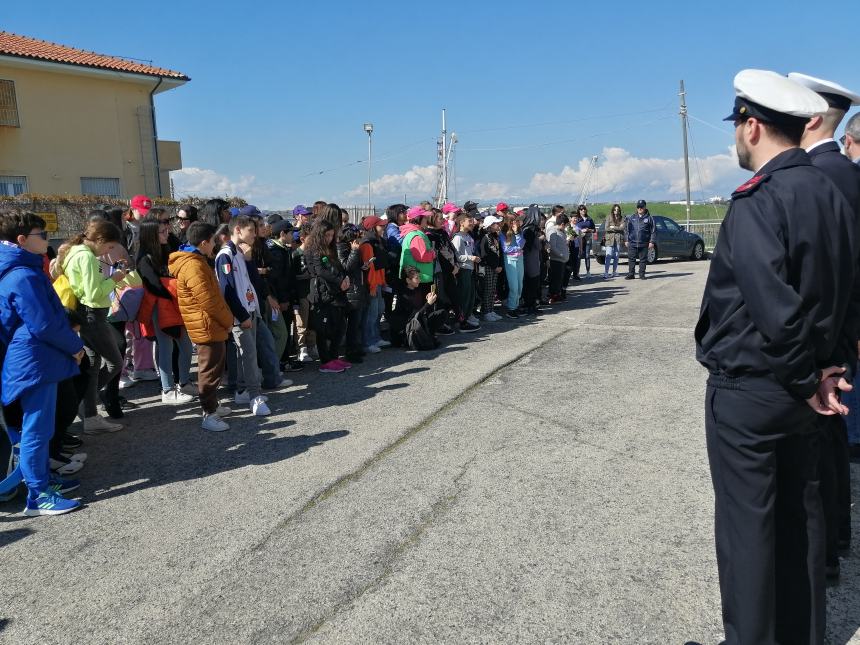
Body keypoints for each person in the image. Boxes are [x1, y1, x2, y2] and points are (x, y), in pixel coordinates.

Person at [695, 69, 857, 645]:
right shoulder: (830, 192)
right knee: (801, 524)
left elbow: (774, 307)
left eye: (738, 126)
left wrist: (805, 376)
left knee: (750, 536)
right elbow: (846, 291)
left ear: (754, 125)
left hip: (757, 390)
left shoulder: (758, 199)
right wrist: (830, 370)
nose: (737, 138)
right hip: (807, 390)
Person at [790, 72, 860, 582]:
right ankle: (838, 537)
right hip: (845, 329)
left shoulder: (816, 175)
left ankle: (826, 554)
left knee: (815, 448)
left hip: (823, 335)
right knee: (834, 439)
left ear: (811, 115)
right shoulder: (848, 171)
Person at [0, 212, 86, 515]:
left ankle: (44, 482)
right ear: (22, 240)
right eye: (43, 234)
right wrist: (76, 346)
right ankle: (38, 495)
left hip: (37, 358)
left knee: (40, 427)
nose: (48, 240)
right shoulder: (22, 275)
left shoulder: (23, 269)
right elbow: (43, 323)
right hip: (34, 361)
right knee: (36, 429)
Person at [58, 219, 136, 433]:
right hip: (93, 315)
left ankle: (89, 414)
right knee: (115, 363)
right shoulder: (87, 257)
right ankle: (84, 402)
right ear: (100, 240)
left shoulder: (75, 251)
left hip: (84, 314)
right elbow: (94, 294)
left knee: (92, 366)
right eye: (109, 247)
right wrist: (116, 278)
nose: (108, 252)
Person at [169, 222, 235, 432]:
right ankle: (209, 414)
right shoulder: (193, 265)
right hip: (207, 325)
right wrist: (228, 320)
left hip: (209, 324)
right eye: (213, 241)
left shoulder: (196, 261)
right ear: (204, 242)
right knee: (209, 371)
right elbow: (209, 300)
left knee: (213, 369)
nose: (215, 244)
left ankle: (213, 405)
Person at [135, 217, 194, 405]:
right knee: (166, 348)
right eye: (162, 231)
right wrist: (175, 288)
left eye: (167, 230)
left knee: (185, 346)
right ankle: (167, 390)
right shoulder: (144, 258)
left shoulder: (168, 248)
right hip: (159, 307)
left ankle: (184, 383)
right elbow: (153, 285)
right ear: (151, 235)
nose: (167, 234)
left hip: (173, 305)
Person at [215, 215, 270, 416]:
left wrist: (248, 260)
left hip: (250, 309)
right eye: (251, 231)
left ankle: (243, 390)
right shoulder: (225, 255)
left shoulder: (240, 252)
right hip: (240, 315)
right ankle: (254, 397)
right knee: (249, 354)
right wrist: (240, 315)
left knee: (245, 353)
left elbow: (250, 281)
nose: (255, 235)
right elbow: (226, 289)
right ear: (238, 230)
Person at [305, 220, 350, 374]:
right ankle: (326, 361)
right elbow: (320, 271)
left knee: (340, 325)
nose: (330, 238)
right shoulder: (314, 249)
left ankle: (334, 356)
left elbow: (338, 266)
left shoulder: (330, 249)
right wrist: (340, 281)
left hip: (335, 291)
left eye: (332, 235)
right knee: (323, 329)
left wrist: (344, 279)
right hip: (322, 292)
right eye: (327, 235)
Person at [389, 265, 446, 350]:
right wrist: (428, 304)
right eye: (417, 278)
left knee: (442, 313)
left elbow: (423, 311)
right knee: (419, 320)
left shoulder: (418, 288)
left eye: (419, 277)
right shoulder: (403, 295)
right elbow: (415, 316)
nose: (419, 280)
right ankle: (420, 338)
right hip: (407, 327)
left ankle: (428, 334)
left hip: (419, 321)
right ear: (408, 280)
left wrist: (432, 298)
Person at [336, 224, 367, 363]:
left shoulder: (353, 247)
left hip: (357, 287)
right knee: (349, 324)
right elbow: (346, 266)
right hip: (348, 290)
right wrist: (354, 252)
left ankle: (355, 347)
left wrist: (363, 266)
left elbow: (354, 266)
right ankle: (350, 351)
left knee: (356, 322)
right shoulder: (341, 248)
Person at [359, 215, 389, 353]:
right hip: (371, 284)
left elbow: (380, 265)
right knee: (371, 315)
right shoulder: (367, 244)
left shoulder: (377, 241)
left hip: (378, 283)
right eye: (380, 225)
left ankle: (376, 337)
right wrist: (372, 286)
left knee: (378, 311)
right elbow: (369, 267)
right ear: (372, 228)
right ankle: (368, 341)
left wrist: (383, 282)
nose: (383, 227)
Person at [291, 224, 317, 363]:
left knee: (313, 321)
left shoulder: (314, 253)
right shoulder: (295, 254)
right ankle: (301, 348)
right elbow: (293, 275)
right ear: (302, 238)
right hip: (302, 293)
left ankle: (312, 345)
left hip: (313, 292)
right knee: (301, 322)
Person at [451, 213, 481, 332]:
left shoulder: (469, 237)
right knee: (464, 295)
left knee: (470, 294)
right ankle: (461, 319)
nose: (472, 223)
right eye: (469, 221)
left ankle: (468, 316)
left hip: (471, 269)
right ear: (462, 222)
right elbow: (456, 256)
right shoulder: (458, 237)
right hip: (463, 269)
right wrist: (470, 258)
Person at [478, 215, 503, 321]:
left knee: (493, 290)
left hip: (496, 268)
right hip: (488, 268)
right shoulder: (485, 238)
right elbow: (484, 255)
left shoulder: (495, 237)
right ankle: (486, 312)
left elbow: (499, 252)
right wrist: (494, 266)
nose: (498, 225)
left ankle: (491, 310)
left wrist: (499, 265)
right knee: (487, 290)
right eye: (495, 223)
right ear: (490, 226)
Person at [500, 217, 524, 319]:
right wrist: (518, 248)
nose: (515, 223)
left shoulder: (519, 232)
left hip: (520, 260)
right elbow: (506, 249)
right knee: (514, 286)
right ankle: (511, 308)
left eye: (516, 221)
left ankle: (516, 305)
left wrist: (517, 233)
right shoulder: (503, 234)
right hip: (510, 261)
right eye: (513, 221)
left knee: (520, 285)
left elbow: (522, 243)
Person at [520, 205, 543, 315]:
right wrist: (539, 238)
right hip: (530, 260)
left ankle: (531, 305)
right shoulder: (529, 230)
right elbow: (535, 246)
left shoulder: (528, 229)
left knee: (533, 283)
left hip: (531, 259)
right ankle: (529, 305)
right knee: (531, 283)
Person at [625, 200, 655, 280]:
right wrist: (626, 240)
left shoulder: (649, 218)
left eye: (641, 207)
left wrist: (651, 241)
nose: (640, 208)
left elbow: (653, 231)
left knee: (643, 260)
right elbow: (627, 230)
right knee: (631, 259)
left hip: (644, 242)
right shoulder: (632, 217)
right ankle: (631, 274)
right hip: (632, 242)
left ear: (645, 207)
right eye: (638, 207)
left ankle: (642, 274)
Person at [547, 213, 570, 302]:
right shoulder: (553, 231)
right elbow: (553, 247)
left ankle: (557, 294)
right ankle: (553, 296)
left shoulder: (562, 231)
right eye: (566, 225)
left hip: (562, 260)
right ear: (562, 224)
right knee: (555, 279)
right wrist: (561, 255)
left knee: (560, 279)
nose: (566, 227)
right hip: (556, 260)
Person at [603, 204, 624, 279]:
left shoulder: (621, 218)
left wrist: (613, 227)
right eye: (615, 209)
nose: (616, 211)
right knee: (608, 256)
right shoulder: (609, 217)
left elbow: (622, 228)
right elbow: (606, 228)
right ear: (613, 210)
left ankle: (614, 271)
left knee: (616, 256)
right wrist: (617, 228)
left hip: (618, 239)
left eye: (618, 209)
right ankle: (606, 272)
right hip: (609, 239)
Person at [574, 205, 595, 278]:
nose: (583, 211)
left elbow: (594, 229)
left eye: (584, 209)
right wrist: (581, 231)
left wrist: (588, 230)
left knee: (587, 255)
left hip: (588, 238)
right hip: (579, 239)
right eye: (581, 209)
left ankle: (588, 271)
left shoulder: (589, 219)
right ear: (579, 211)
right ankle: (577, 273)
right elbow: (574, 228)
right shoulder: (577, 219)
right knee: (579, 256)